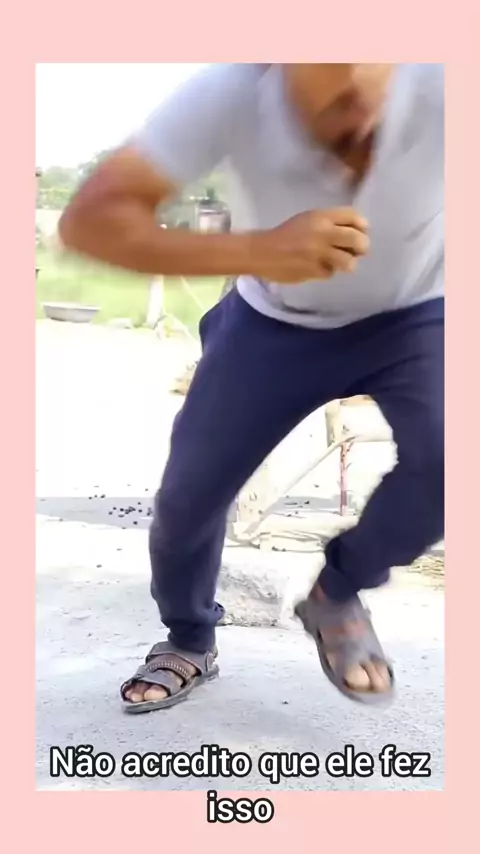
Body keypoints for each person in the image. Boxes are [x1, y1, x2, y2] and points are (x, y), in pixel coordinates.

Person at [59, 63, 444, 711]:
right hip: (273, 325)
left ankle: (337, 592)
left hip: (417, 315)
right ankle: (189, 638)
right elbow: (91, 220)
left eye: (372, 83)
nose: (359, 111)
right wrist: (259, 251)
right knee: (187, 504)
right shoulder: (230, 93)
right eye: (335, 100)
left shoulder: (447, 80)